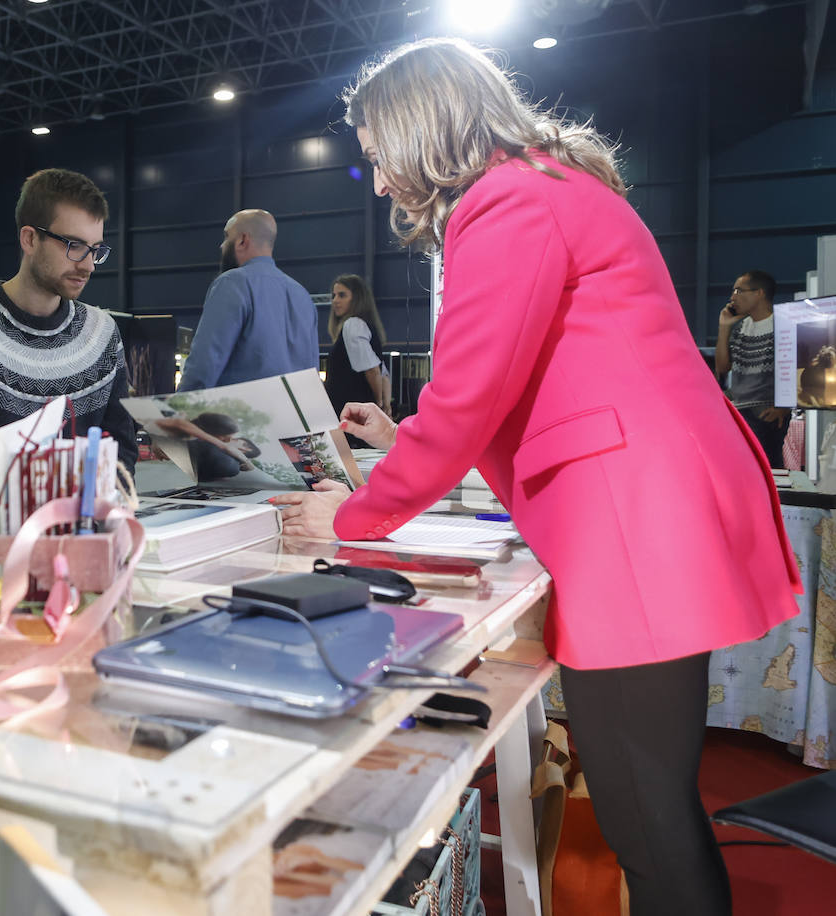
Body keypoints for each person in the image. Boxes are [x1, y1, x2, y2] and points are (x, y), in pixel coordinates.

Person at [272, 38, 799, 916]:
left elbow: (472, 391)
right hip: (642, 504)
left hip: (634, 512)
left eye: (377, 159)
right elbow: (527, 379)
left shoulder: (507, 202)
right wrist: (406, 436)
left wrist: (351, 518)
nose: (381, 181)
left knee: (647, 816)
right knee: (644, 806)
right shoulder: (542, 185)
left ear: (419, 133)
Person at [0, 168, 137, 479]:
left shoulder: (102, 333)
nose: (88, 264)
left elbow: (121, 457)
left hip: (89, 521)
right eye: (74, 246)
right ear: (30, 239)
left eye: (95, 250)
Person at [176, 209, 318, 391]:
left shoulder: (232, 283)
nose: (222, 246)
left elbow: (204, 364)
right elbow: (311, 373)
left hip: (241, 416)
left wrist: (177, 411)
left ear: (243, 240)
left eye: (227, 237)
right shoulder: (302, 295)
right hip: (292, 415)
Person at [717, 269, 790, 466]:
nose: (733, 297)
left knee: (765, 468)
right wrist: (724, 328)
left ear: (759, 293)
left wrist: (783, 407)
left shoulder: (783, 325)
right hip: (738, 410)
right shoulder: (741, 327)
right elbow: (722, 367)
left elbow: (795, 369)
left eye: (739, 291)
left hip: (763, 410)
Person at [324, 274, 391, 426]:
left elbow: (373, 370)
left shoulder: (352, 325)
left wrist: (378, 403)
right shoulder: (369, 327)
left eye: (342, 295)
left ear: (357, 299)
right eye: (334, 296)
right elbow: (384, 374)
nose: (335, 301)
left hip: (351, 412)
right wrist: (385, 404)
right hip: (359, 414)